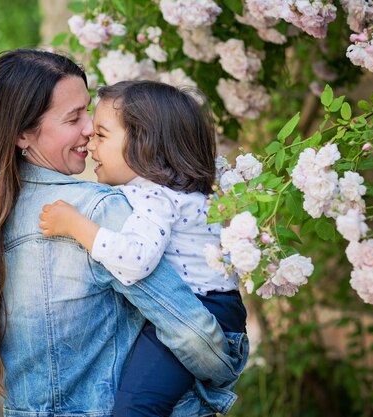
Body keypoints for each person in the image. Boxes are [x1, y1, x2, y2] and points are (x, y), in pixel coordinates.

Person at [0, 49, 246, 417]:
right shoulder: (96, 209)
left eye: (88, 111)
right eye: (74, 118)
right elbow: (192, 334)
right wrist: (224, 372)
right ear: (23, 133)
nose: (89, 128)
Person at [38, 80, 248, 416]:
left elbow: (136, 260)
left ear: (144, 143)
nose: (91, 144)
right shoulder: (175, 192)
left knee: (136, 408)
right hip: (213, 306)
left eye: (102, 135)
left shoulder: (154, 196)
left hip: (200, 310)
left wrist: (75, 225)